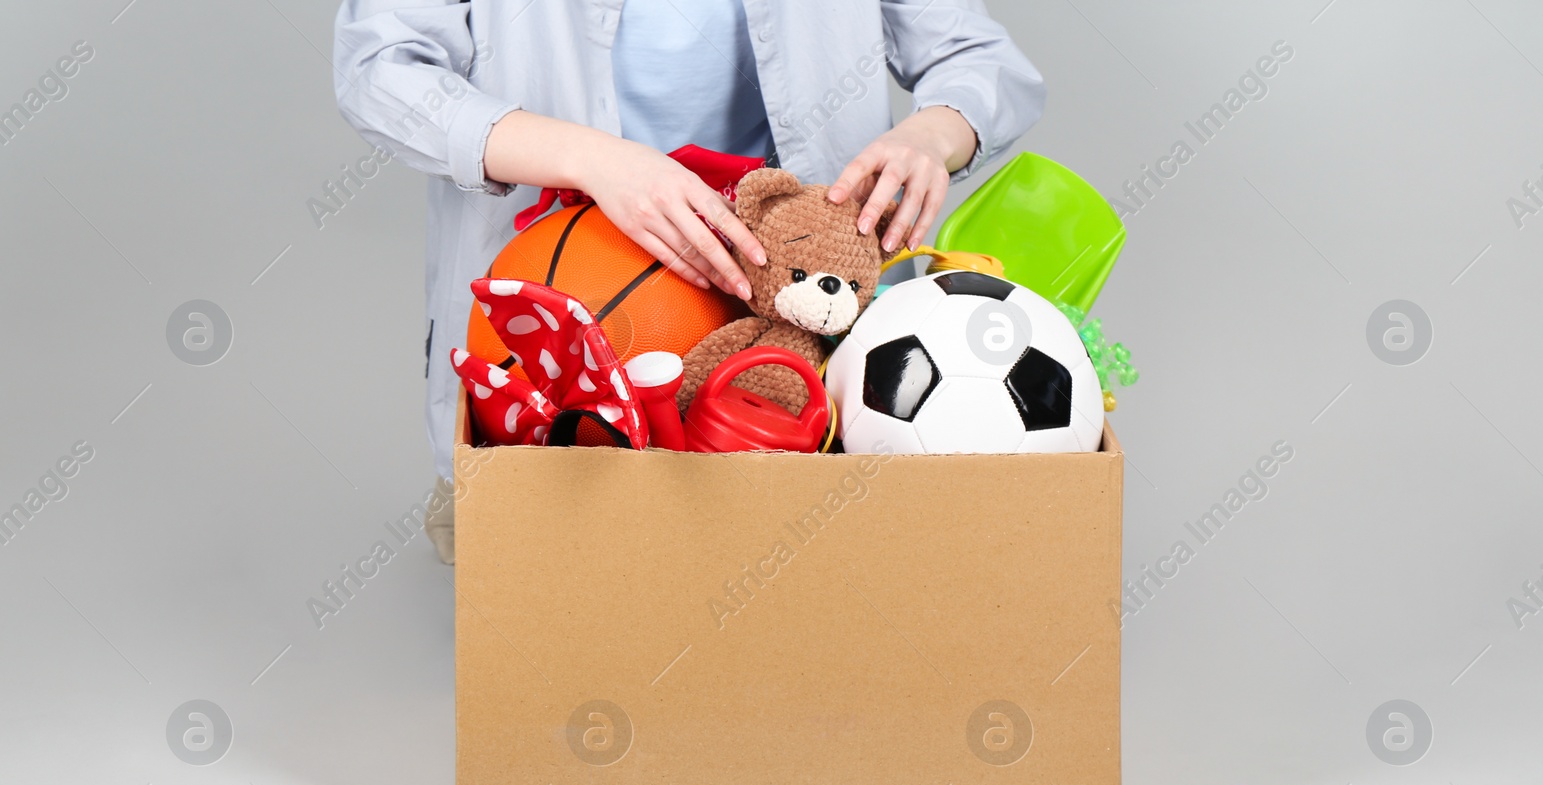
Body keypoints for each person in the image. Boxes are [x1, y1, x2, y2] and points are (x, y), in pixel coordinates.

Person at [333, 0, 1044, 562]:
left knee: (804, 611)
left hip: (792, 319)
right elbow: (380, 68)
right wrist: (592, 161)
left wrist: (931, 135)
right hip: (565, 305)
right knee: (568, 604)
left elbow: (978, 58)